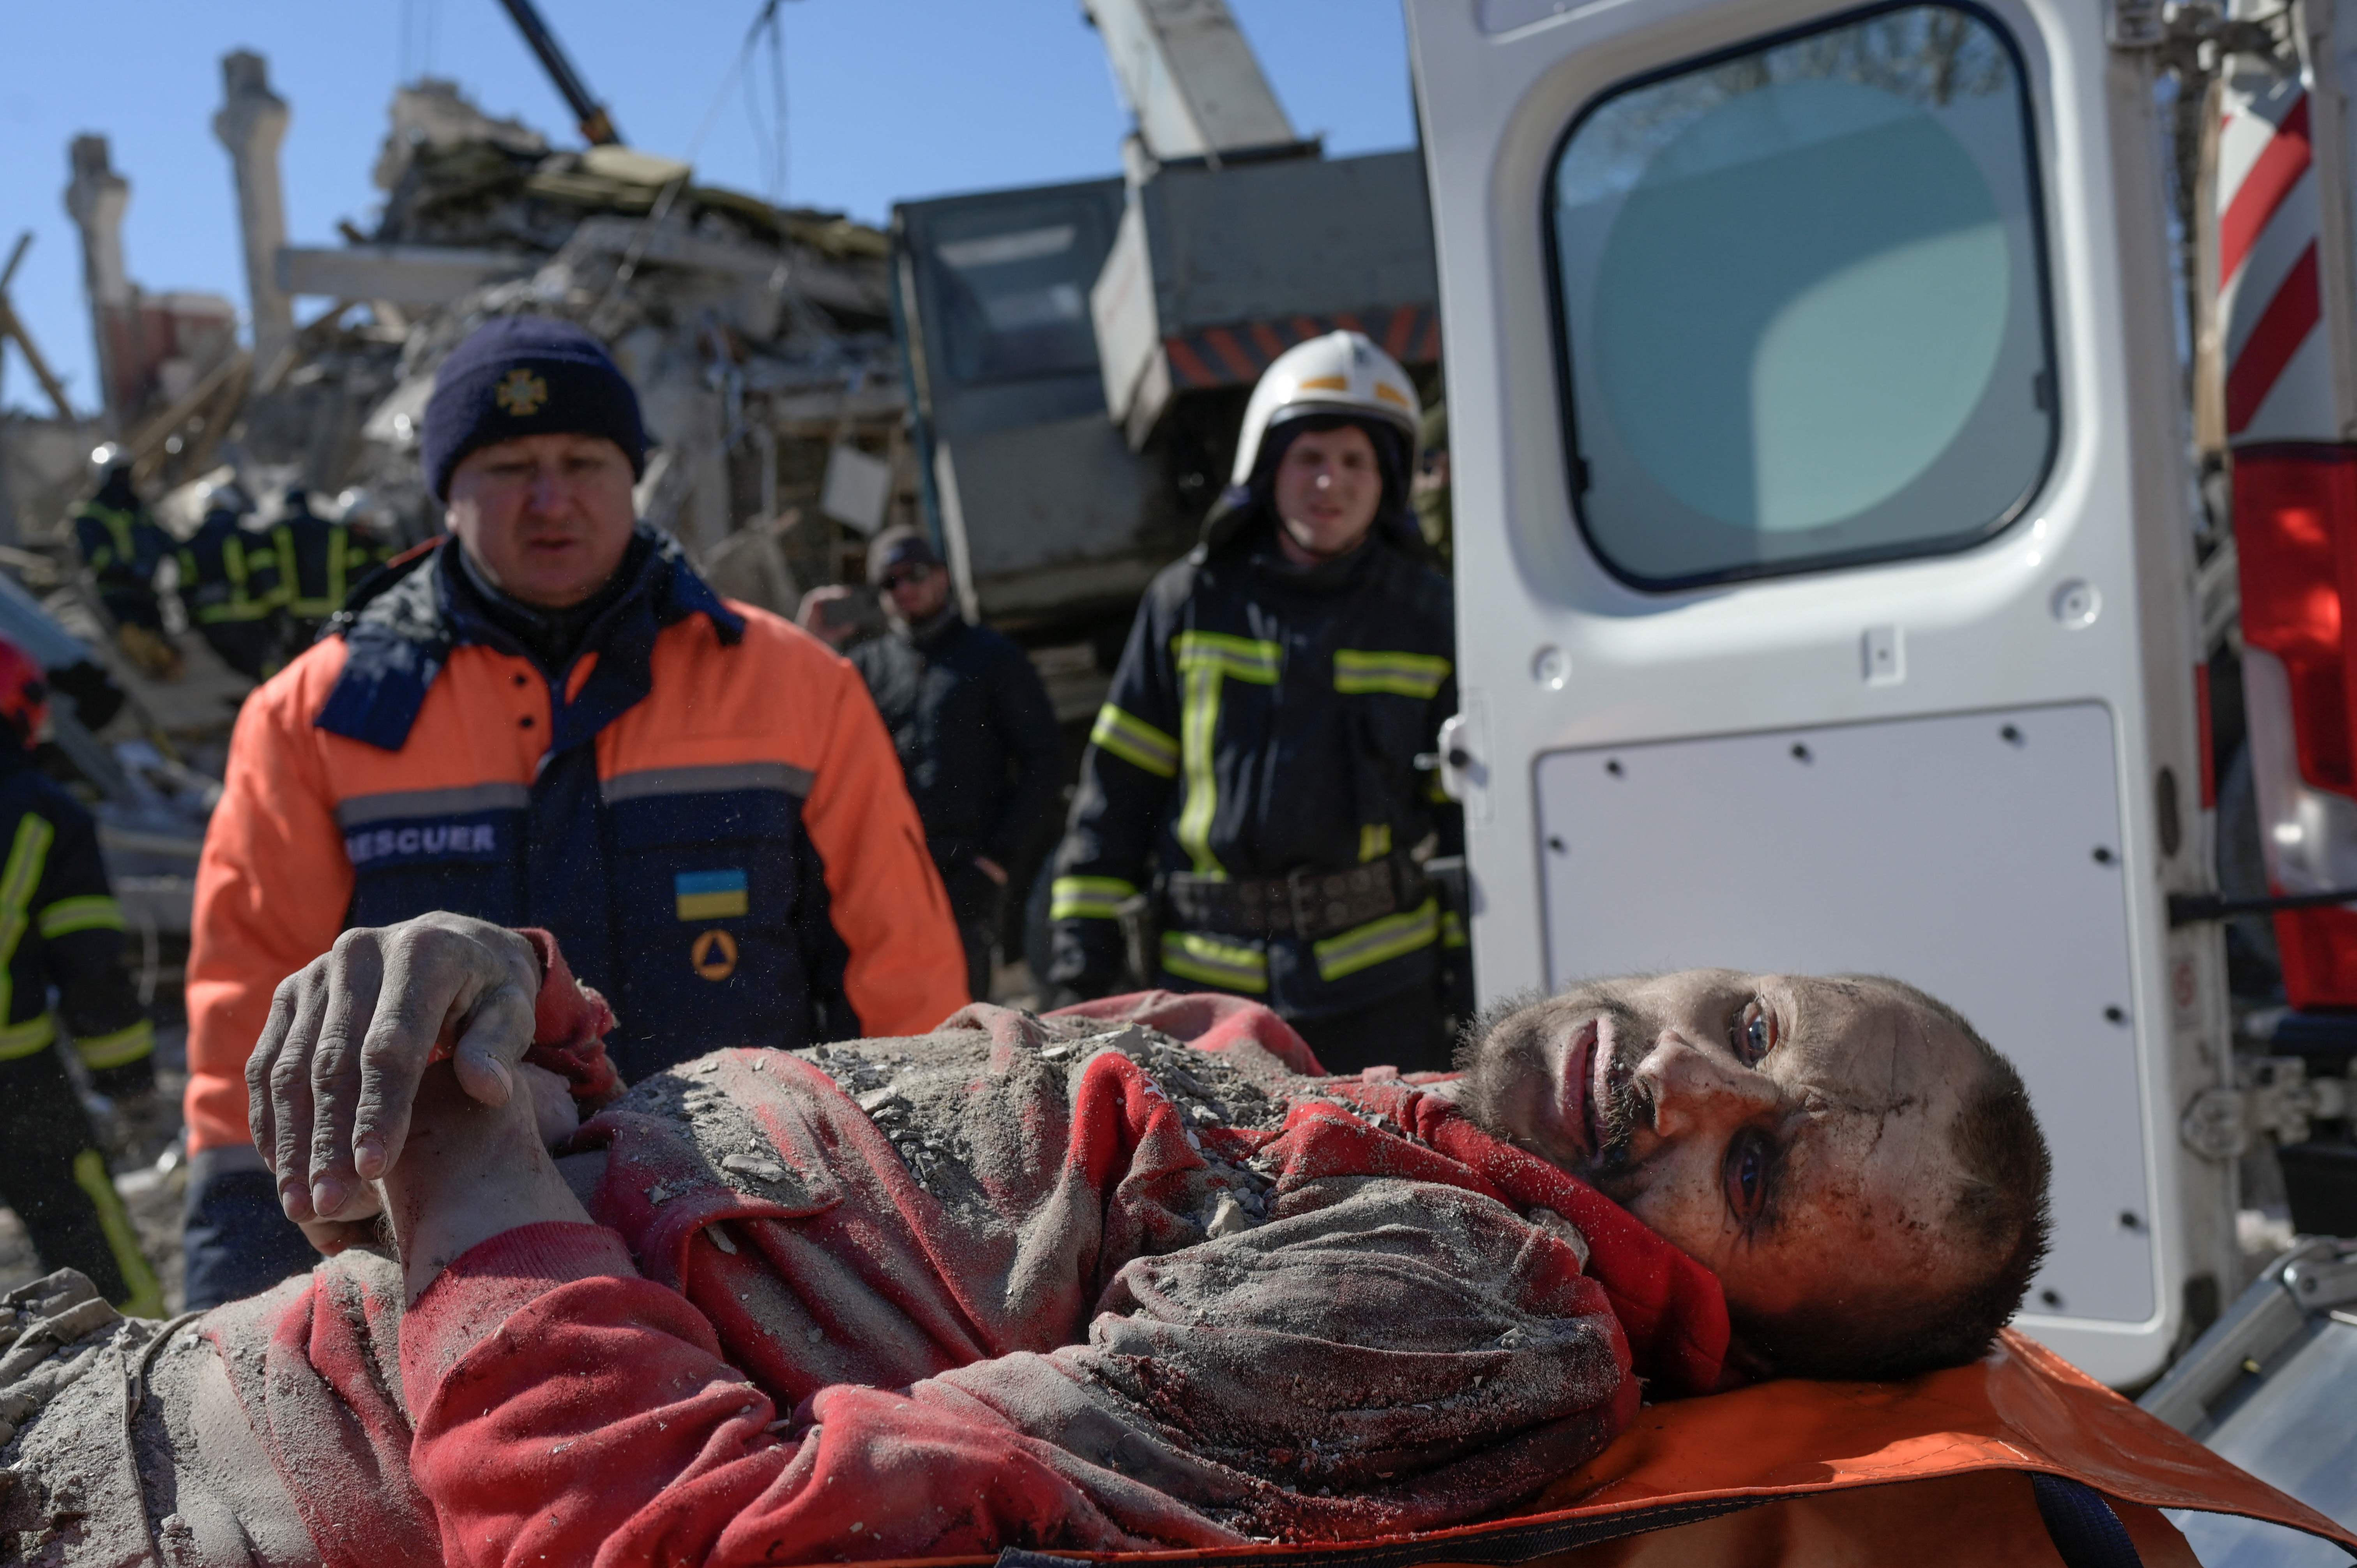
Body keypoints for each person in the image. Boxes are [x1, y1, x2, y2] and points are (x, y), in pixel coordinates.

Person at [204, 913, 2068, 1562]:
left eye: (1750, 1182)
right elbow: (764, 1198)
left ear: (1734, 1342)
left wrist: (459, 1159)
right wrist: (509, 1007)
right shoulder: (1297, 1079)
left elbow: (685, 1544)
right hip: (233, 1377)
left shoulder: (1469, 1305)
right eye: (1749, 1023)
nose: (1673, 1075)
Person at [177, 313, 966, 1311]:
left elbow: (906, 981)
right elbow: (250, 1016)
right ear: (445, 488)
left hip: (770, 1241)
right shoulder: (313, 718)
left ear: (631, 475)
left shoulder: (796, 686)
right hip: (453, 1274)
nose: (551, 499)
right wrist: (241, 1271)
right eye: (508, 466)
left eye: (583, 460)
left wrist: (943, 1210)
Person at [1046, 330, 1463, 1073]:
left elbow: (1462, 816)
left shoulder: (1429, 615)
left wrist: (1467, 982)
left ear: (1388, 479)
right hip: (1209, 1001)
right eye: (1309, 457)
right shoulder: (1189, 601)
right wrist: (1080, 969)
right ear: (1267, 467)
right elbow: (1118, 792)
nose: (1329, 483)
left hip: (1384, 999)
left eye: (1353, 461)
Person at [804, 528, 1063, 999]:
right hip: (884, 887)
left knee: (970, 1029)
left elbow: (1044, 764)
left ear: (942, 577)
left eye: (916, 575)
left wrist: (997, 863)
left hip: (965, 880)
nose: (905, 589)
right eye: (890, 582)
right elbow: (808, 749)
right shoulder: (862, 667)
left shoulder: (993, 658)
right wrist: (813, 645)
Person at [0, 637, 162, 1316]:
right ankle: (143, 1355)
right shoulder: (41, 809)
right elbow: (90, 966)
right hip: (17, 1073)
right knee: (77, 1215)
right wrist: (127, 1084)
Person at [69, 444, 180, 680]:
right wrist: (125, 568)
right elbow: (93, 554)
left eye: (125, 473)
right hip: (116, 591)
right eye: (117, 474)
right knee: (134, 639)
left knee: (161, 638)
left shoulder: (138, 508)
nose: (123, 480)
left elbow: (161, 539)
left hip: (146, 589)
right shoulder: (89, 513)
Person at [175, 479, 288, 682]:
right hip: (251, 622)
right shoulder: (248, 539)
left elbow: (185, 589)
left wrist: (193, 619)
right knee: (264, 677)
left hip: (212, 626)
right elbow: (267, 579)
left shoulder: (191, 545)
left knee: (229, 678)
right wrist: (280, 612)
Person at [272, 484, 395, 650]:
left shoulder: (282, 531)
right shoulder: (338, 537)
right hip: (333, 610)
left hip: (310, 612)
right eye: (360, 523)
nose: (363, 529)